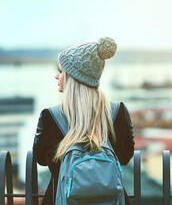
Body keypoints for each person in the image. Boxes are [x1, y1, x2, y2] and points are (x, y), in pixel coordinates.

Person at [33, 37, 135, 205]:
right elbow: (124, 158)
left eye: (61, 71)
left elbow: (40, 159)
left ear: (73, 78)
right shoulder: (119, 113)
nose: (56, 76)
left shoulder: (50, 117)